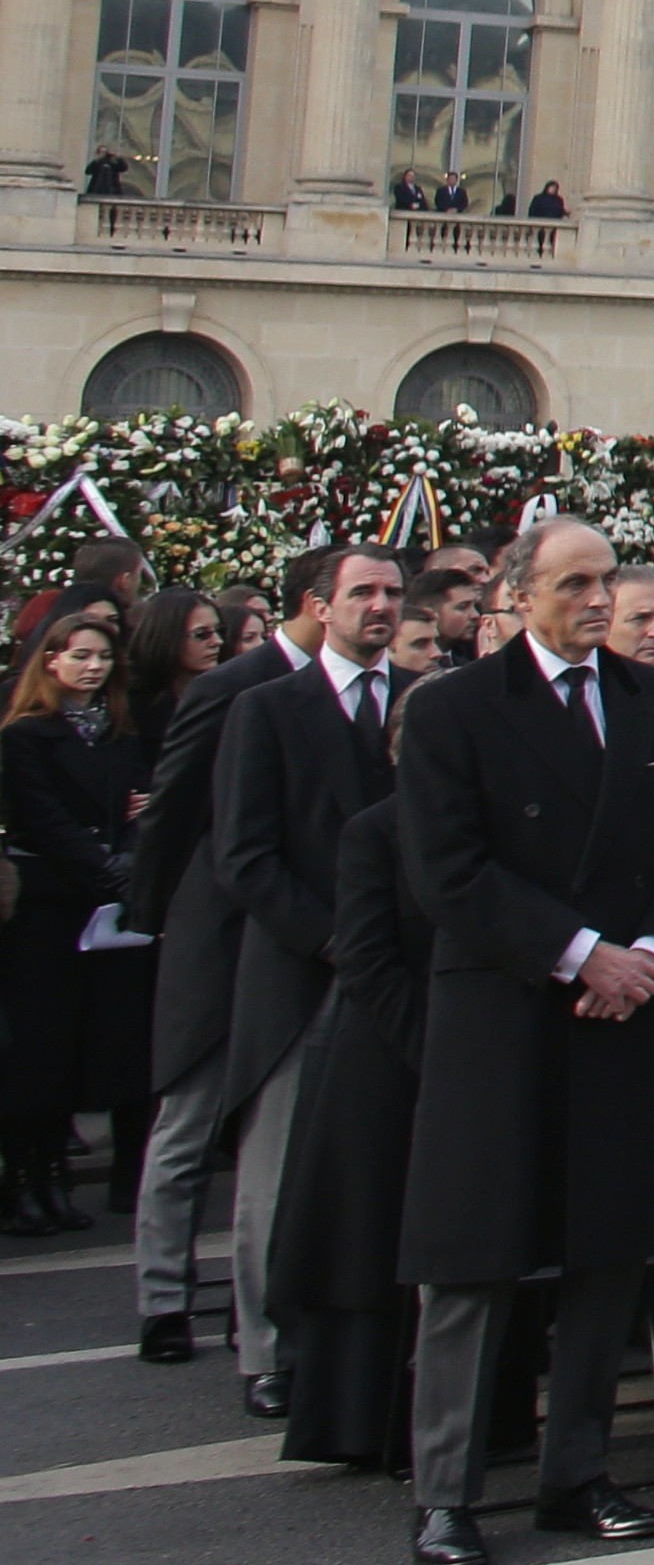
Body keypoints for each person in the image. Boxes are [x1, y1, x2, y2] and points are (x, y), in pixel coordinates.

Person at [393, 517, 654, 1565]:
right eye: (573, 585)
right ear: (518, 594)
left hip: (629, 1010)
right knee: (474, 1257)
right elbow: (448, 870)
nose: (596, 602)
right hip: (508, 1010)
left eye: (607, 584)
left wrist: (652, 953)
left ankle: (577, 1469)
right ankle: (445, 1489)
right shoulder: (455, 709)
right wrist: (581, 952)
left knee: (608, 1246)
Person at [197, 546, 406, 1420]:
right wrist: (333, 940)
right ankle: (268, 1346)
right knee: (278, 1166)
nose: (381, 608)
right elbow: (244, 857)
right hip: (303, 969)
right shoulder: (267, 709)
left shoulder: (433, 701)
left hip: (397, 971)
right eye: (362, 594)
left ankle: (369, 1344)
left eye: (393, 594)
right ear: (321, 607)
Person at [131, 549, 353, 1371]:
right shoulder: (234, 688)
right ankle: (162, 1296)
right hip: (222, 932)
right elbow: (175, 811)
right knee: (191, 1116)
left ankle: (267, 1317)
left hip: (305, 936)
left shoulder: (367, 690)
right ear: (317, 603)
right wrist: (157, 920)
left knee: (277, 1133)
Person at [265, 664, 425, 1471]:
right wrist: (429, 1047)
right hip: (378, 1061)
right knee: (362, 1251)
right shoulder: (373, 830)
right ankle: (355, 1424)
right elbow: (365, 957)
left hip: (446, 1063)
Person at [1, 602, 152, 1236]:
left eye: (102, 656)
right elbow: (41, 816)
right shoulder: (25, 734)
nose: (93, 667)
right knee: (37, 1048)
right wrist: (104, 863)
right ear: (52, 660)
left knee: (80, 1046)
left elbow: (138, 801)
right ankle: (27, 1178)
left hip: (102, 905)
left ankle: (56, 1184)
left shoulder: (119, 731)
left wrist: (129, 850)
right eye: (80, 655)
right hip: (47, 903)